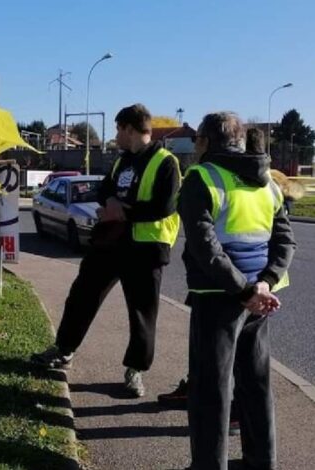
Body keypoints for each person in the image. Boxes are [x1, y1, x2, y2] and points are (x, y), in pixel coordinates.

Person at [30, 104, 181, 397]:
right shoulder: (121, 161)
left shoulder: (166, 162)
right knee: (82, 294)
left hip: (146, 248)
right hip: (111, 242)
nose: (116, 136)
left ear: (130, 128)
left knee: (141, 313)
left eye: (118, 130)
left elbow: (166, 206)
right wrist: (110, 201)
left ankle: (135, 371)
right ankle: (63, 350)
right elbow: (104, 189)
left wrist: (122, 212)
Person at [179, 112, 295, 470]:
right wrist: (266, 283)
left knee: (210, 391)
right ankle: (262, 462)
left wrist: (246, 290)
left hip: (220, 298)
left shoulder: (201, 177)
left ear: (204, 142)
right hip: (260, 300)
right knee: (256, 385)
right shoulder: (268, 183)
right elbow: (285, 241)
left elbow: (205, 247)